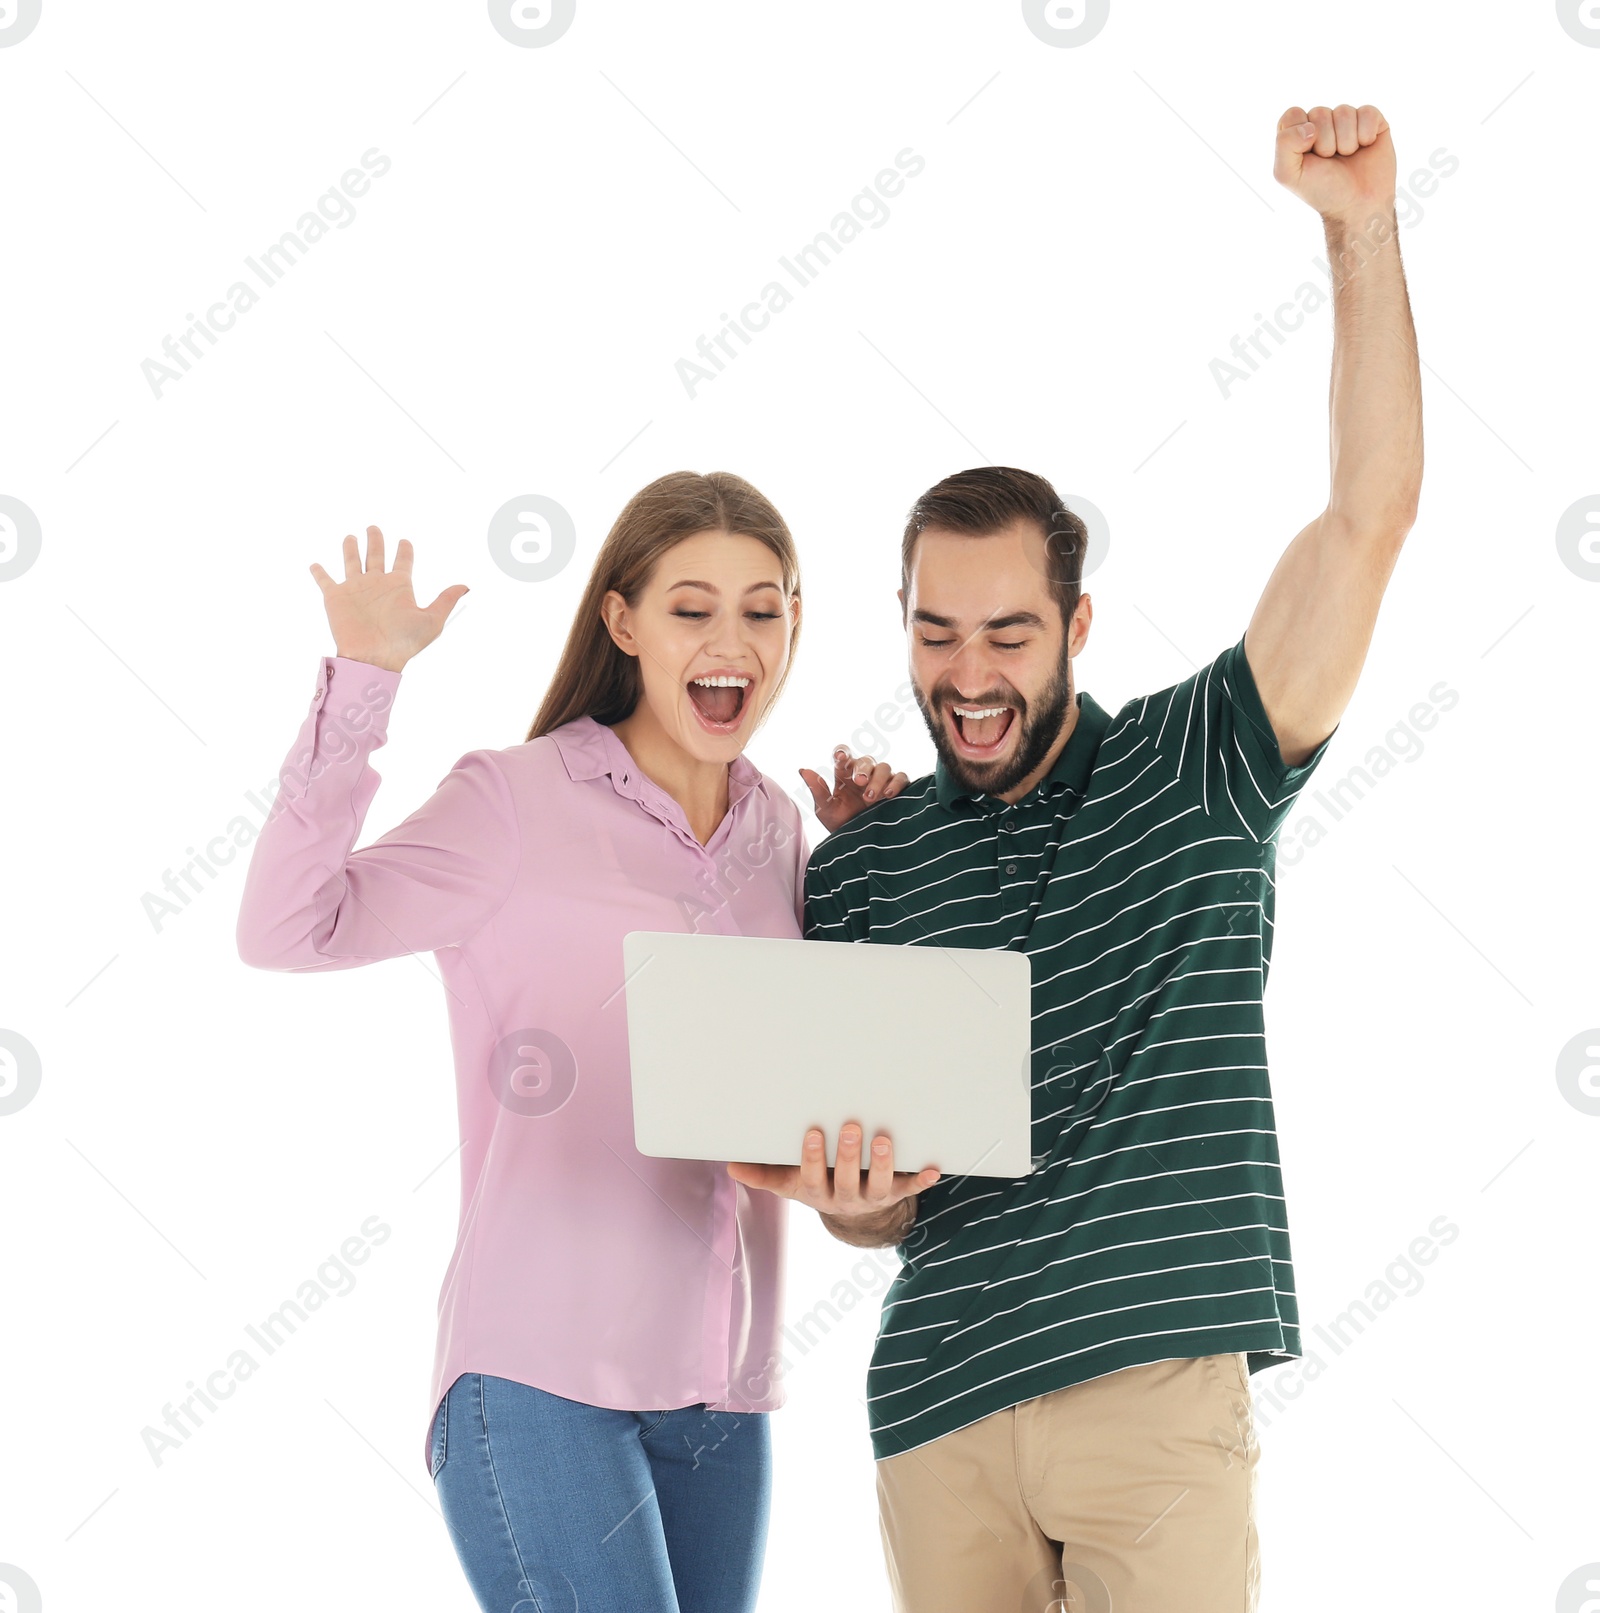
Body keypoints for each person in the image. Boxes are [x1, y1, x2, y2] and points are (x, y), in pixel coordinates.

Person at [728, 102, 1423, 1611]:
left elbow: (1368, 521)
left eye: (1007, 633)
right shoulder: (861, 868)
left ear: (1078, 627)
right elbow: (887, 1208)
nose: (966, 674)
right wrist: (847, 1191)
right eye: (932, 630)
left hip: (1149, 1392)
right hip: (937, 1406)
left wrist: (1357, 232)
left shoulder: (1201, 759)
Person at [234, 471, 914, 1613]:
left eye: (765, 606)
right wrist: (366, 682)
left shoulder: (776, 829)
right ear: (623, 621)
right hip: (538, 1374)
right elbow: (288, 927)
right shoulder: (514, 800)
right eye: (692, 606)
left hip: (722, 1393)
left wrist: (861, 861)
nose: (732, 639)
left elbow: (793, 1078)